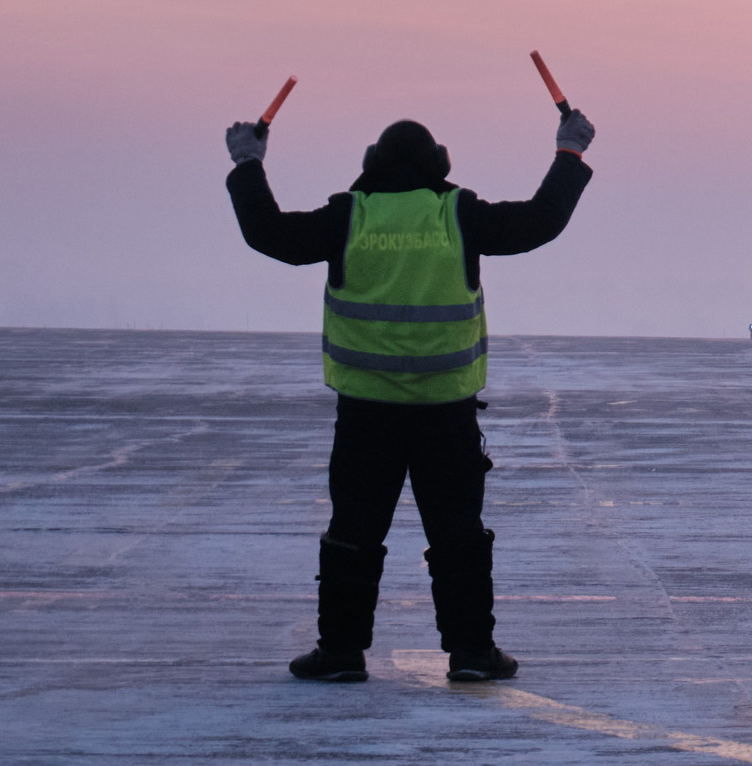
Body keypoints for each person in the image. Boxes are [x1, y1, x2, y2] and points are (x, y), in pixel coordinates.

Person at [225, 106, 595, 682]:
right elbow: (540, 220)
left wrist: (249, 163)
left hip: (365, 414)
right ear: (439, 165)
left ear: (370, 166)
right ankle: (472, 652)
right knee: (459, 537)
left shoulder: (349, 216)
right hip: (445, 413)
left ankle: (341, 653)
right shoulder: (458, 213)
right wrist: (569, 154)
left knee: (352, 533)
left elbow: (268, 233)